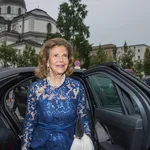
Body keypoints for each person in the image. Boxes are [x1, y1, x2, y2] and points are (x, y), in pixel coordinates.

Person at [21, 38, 91, 150]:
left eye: (64, 56)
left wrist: (87, 144)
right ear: (47, 61)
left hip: (70, 145)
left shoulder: (76, 88)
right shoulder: (36, 89)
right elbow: (30, 123)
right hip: (42, 146)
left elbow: (84, 120)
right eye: (56, 56)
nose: (61, 60)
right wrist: (25, 148)